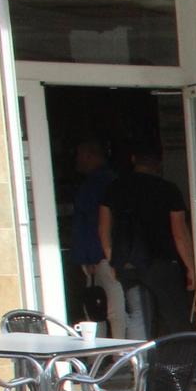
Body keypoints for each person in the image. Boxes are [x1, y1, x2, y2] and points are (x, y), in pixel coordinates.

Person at [100, 150, 195, 339]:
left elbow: (103, 229)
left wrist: (112, 260)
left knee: (139, 316)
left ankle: (142, 364)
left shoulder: (114, 188)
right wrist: (190, 267)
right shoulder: (168, 189)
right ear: (158, 164)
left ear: (134, 159)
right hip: (162, 263)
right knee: (173, 318)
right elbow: (179, 234)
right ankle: (178, 364)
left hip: (127, 264)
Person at [70, 140, 123, 335]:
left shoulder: (96, 184)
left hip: (100, 255)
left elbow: (95, 224)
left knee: (100, 309)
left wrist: (90, 257)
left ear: (91, 156)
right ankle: (116, 355)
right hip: (103, 254)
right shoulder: (109, 181)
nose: (77, 160)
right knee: (107, 308)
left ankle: (111, 356)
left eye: (80, 155)